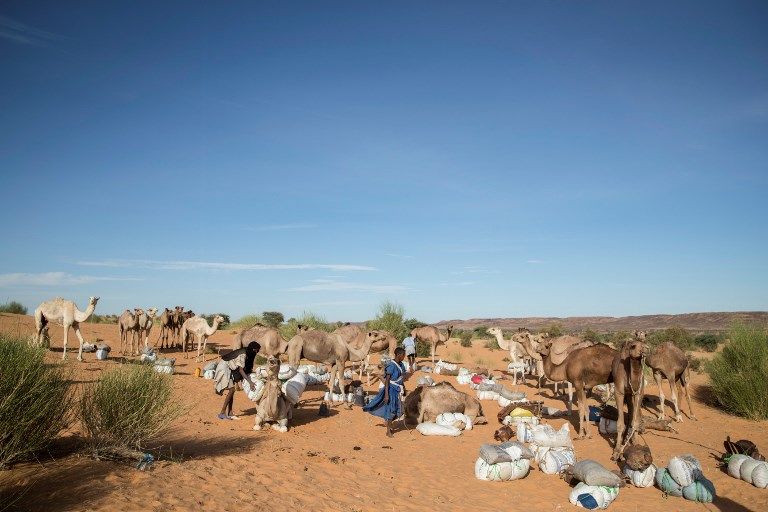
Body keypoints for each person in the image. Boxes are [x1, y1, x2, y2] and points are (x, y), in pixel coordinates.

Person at [363, 347, 406, 437]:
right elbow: (387, 380)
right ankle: (388, 431)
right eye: (403, 355)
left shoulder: (401, 365)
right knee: (391, 409)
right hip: (391, 390)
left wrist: (404, 388)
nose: (404, 357)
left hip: (398, 389)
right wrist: (386, 395)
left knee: (400, 410)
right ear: (398, 355)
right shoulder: (391, 365)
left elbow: (401, 379)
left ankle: (389, 423)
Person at [214, 341, 260, 420]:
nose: (257, 352)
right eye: (256, 350)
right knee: (232, 389)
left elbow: (246, 369)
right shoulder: (243, 354)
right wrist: (250, 382)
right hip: (224, 367)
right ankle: (222, 413)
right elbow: (241, 370)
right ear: (253, 349)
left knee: (232, 390)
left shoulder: (248, 354)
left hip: (229, 368)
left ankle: (230, 413)